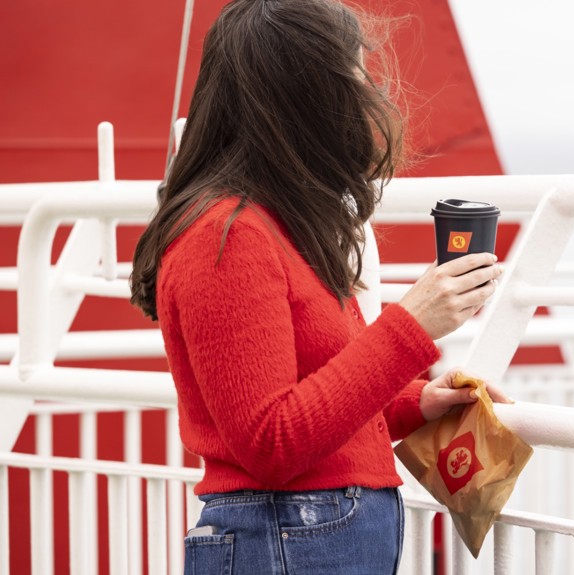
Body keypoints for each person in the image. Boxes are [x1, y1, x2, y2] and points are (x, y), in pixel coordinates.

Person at [129, 0, 506, 573]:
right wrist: (412, 326)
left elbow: (316, 389)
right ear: (304, 100)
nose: (368, 99)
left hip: (302, 533)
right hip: (288, 534)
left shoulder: (273, 223)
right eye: (353, 80)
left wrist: (415, 403)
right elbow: (271, 442)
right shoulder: (226, 237)